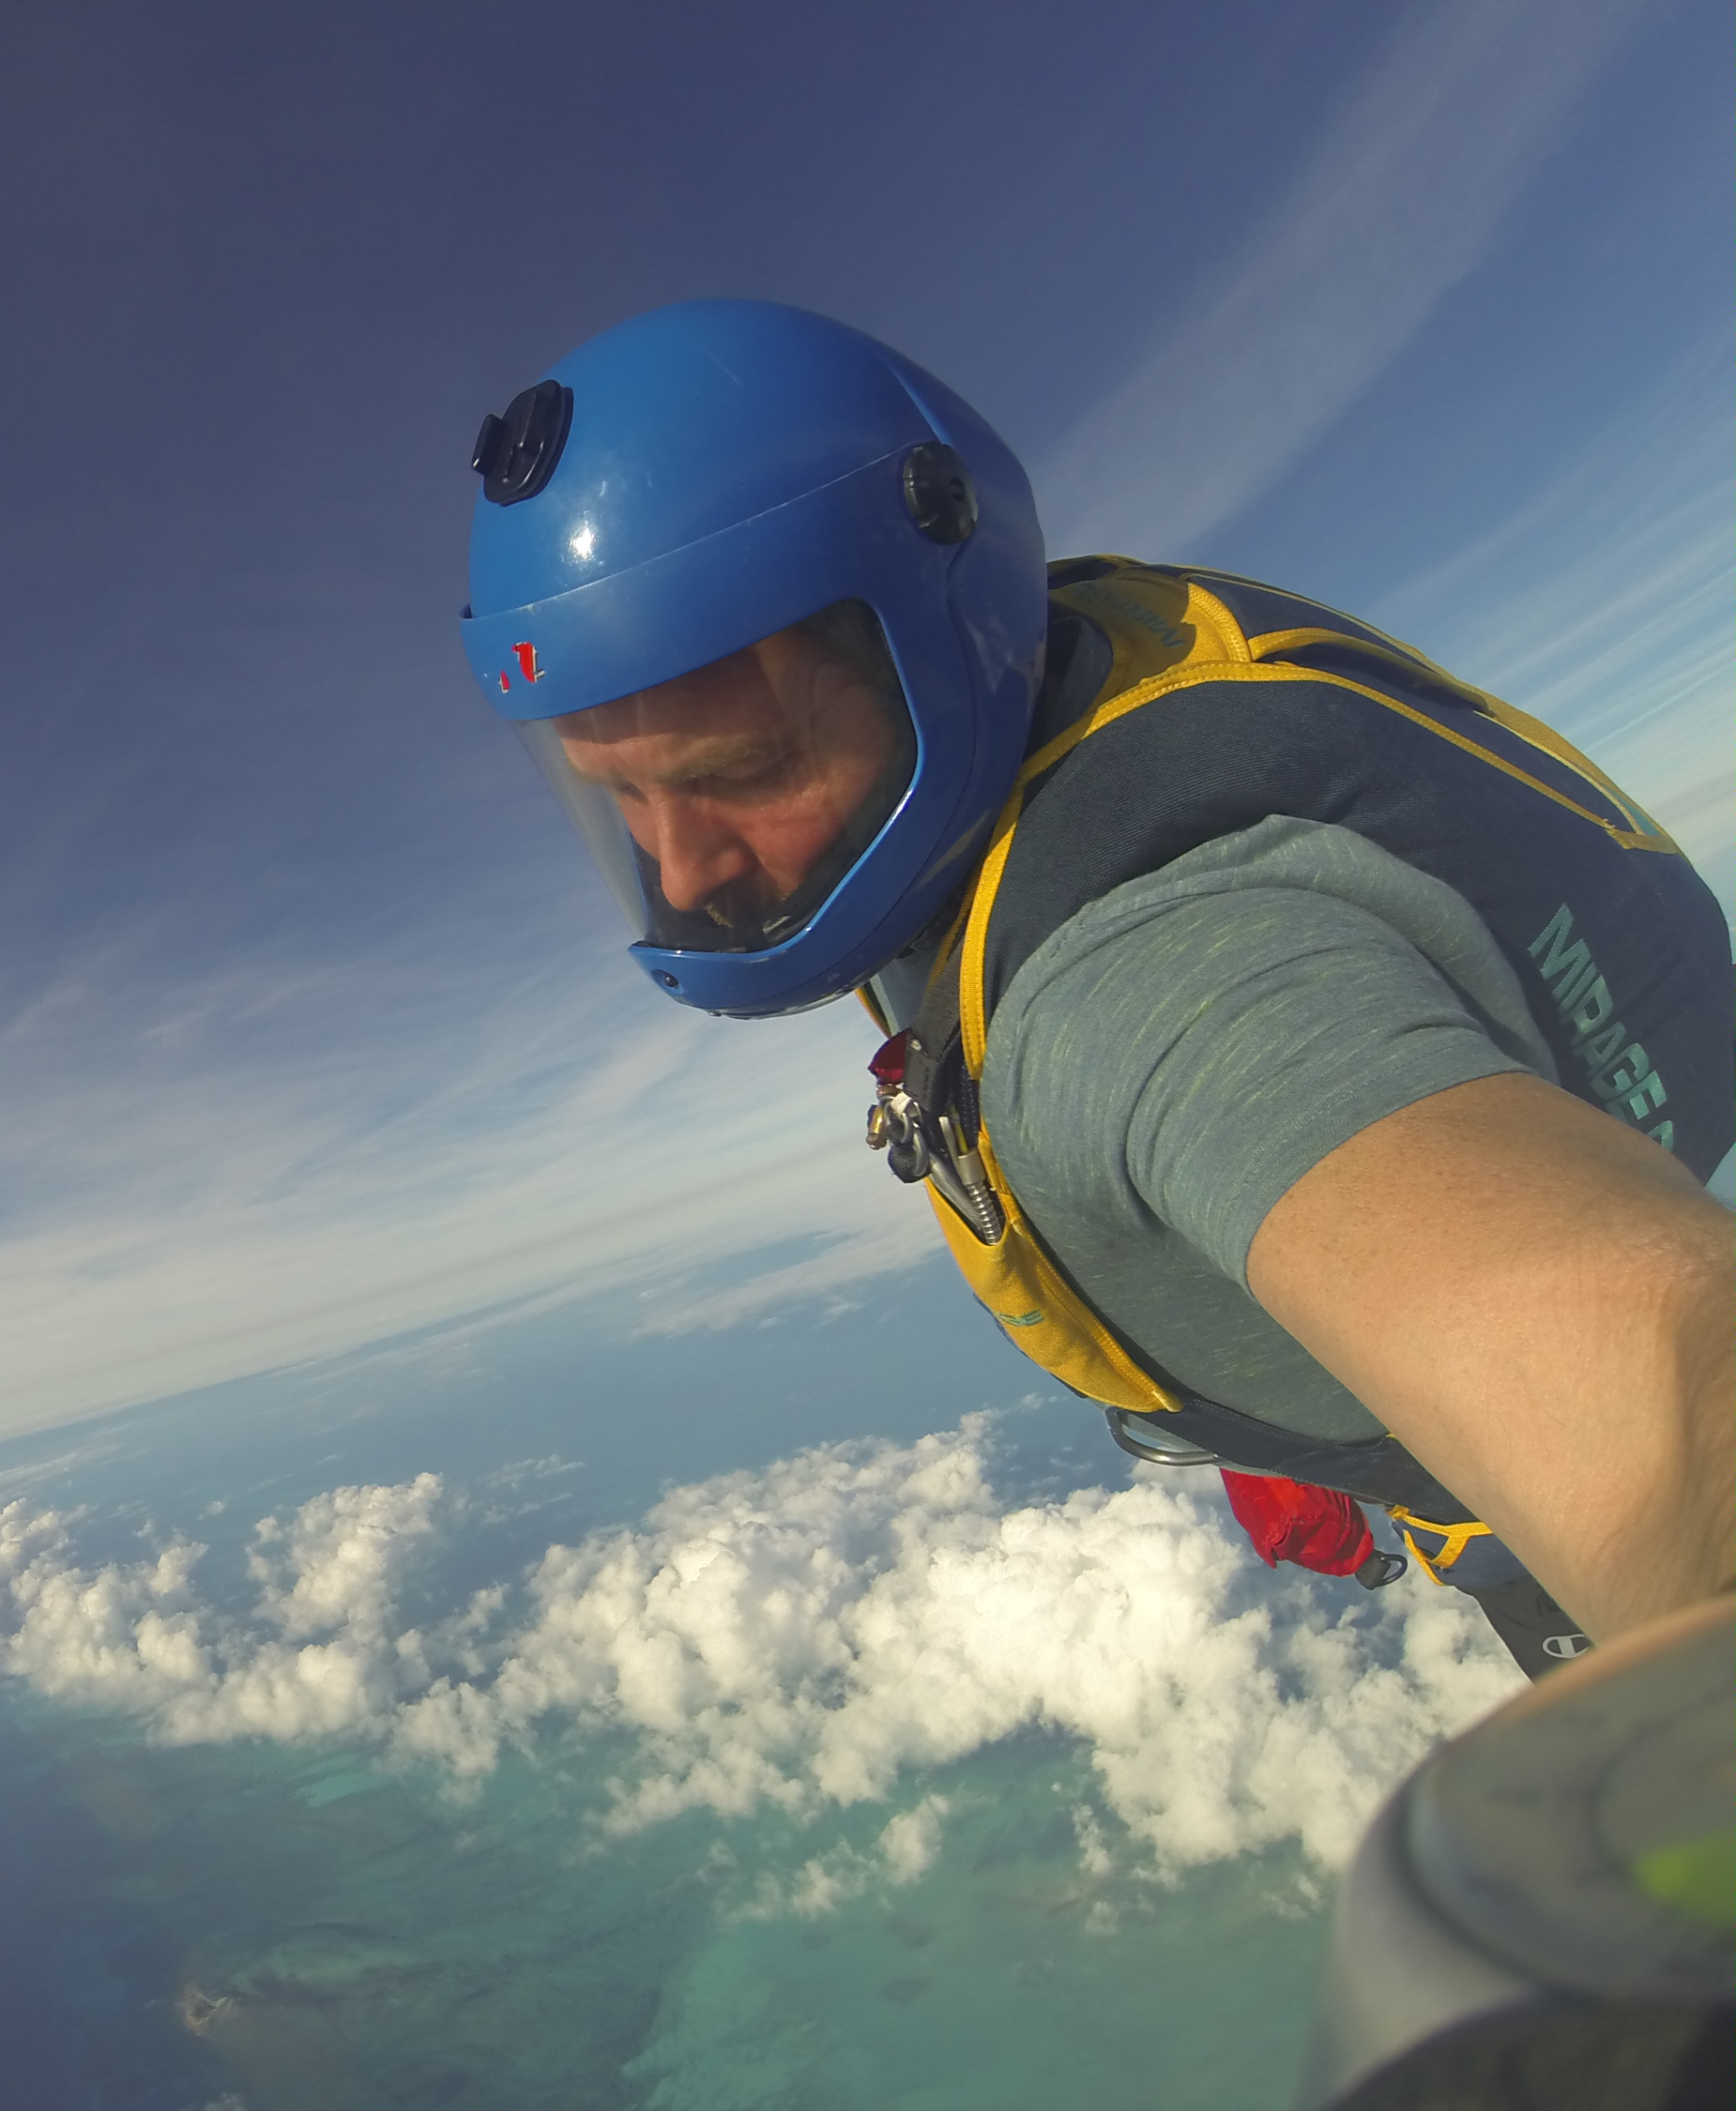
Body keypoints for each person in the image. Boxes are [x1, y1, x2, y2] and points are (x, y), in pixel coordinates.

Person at [461, 300, 1736, 1678]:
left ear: (943, 648)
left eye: (745, 769)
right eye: (621, 802)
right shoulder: (1074, 672)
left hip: (1532, 1538)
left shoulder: (1140, 987)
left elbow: (1653, 1381)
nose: (687, 869)